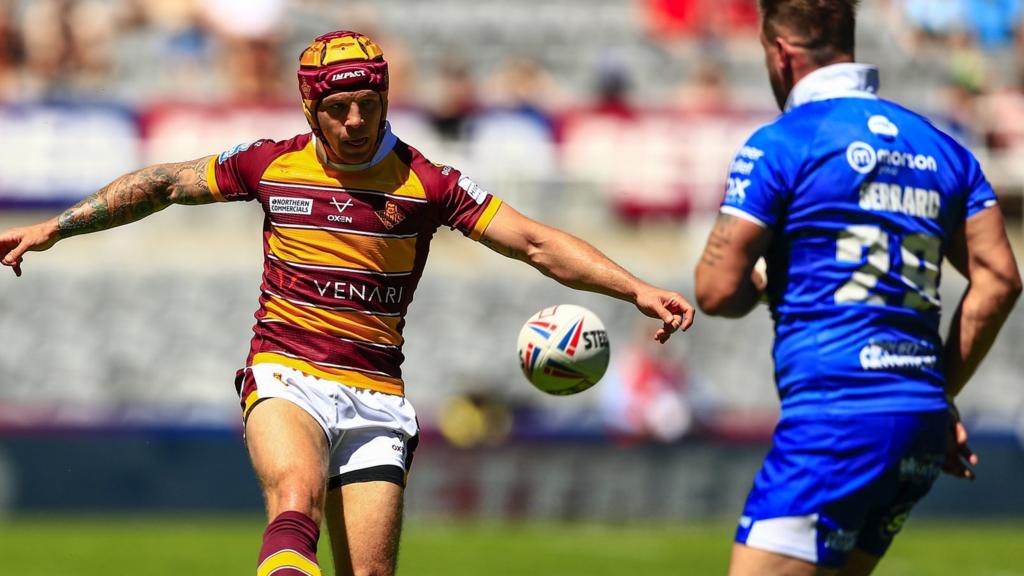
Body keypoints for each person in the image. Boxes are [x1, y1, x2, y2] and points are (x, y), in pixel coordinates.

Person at [0, 31, 694, 576]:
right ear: (310, 108)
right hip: (285, 373)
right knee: (294, 496)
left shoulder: (427, 182)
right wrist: (53, 227)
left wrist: (634, 287)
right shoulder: (271, 163)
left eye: (370, 102)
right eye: (338, 108)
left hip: (377, 396)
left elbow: (535, 243)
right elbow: (163, 183)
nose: (357, 119)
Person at [694, 2, 1021, 575]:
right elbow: (1001, 279)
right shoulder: (941, 146)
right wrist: (940, 392)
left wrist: (767, 283)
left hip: (836, 418)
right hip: (919, 422)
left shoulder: (783, 143)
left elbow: (716, 290)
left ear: (780, 53)